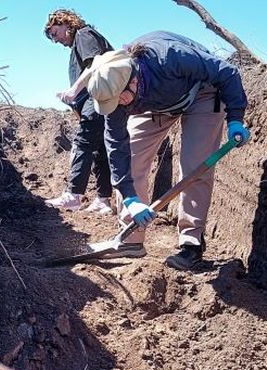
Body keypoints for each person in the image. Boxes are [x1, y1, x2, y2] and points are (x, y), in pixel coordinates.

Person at [58, 31, 251, 270]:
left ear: (133, 81)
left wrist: (235, 119)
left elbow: (227, 72)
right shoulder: (114, 93)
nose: (116, 107)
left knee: (195, 167)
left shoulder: (170, 57)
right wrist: (130, 198)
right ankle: (130, 239)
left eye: (119, 100)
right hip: (154, 103)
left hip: (202, 92)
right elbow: (117, 148)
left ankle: (191, 244)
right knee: (132, 157)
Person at [43, 10, 115, 216]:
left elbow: (94, 65)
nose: (56, 40)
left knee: (84, 141)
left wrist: (73, 91)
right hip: (101, 98)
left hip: (98, 96)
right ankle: (103, 199)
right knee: (100, 149)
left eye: (55, 33)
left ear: (66, 23)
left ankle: (73, 195)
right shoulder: (80, 41)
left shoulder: (83, 35)